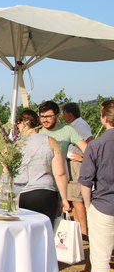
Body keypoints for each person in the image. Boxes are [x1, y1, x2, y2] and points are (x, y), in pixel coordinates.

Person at [78, 99, 114, 272]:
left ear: (103, 118)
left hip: (104, 206)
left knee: (100, 255)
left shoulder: (97, 145)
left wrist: (89, 206)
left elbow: (85, 182)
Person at [13, 110, 70, 222]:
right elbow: (60, 173)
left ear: (22, 123)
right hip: (46, 193)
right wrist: (64, 199)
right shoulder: (50, 141)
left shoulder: (14, 144)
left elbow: (6, 171)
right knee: (46, 233)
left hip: (22, 194)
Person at [62, 102, 94, 238]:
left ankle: (83, 232)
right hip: (72, 163)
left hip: (76, 165)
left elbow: (90, 141)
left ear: (69, 113)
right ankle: (79, 230)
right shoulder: (75, 125)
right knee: (73, 197)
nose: (63, 116)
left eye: (63, 113)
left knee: (76, 198)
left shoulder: (79, 125)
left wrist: (84, 158)